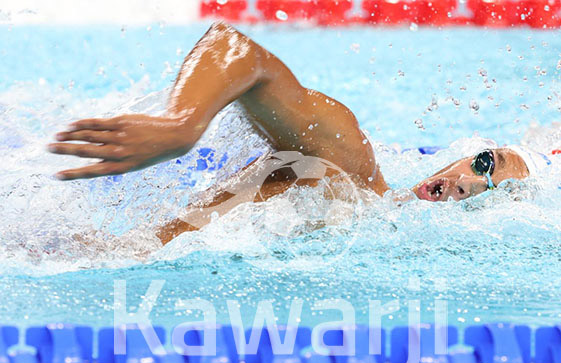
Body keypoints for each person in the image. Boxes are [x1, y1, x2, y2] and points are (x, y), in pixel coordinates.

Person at [48, 22, 549, 245]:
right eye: (484, 164)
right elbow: (237, 49)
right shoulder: (351, 168)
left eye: (485, 196)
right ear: (462, 156)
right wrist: (182, 126)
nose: (467, 185)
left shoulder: (372, 228)